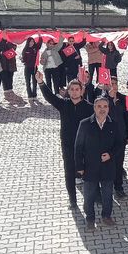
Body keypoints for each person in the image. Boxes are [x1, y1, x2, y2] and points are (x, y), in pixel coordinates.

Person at [37, 72, 93, 209]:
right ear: (68, 91)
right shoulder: (63, 104)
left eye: (77, 89)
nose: (74, 92)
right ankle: (72, 200)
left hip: (84, 146)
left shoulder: (89, 107)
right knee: (69, 173)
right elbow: (49, 97)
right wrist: (41, 82)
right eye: (72, 89)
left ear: (81, 91)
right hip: (68, 145)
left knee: (87, 172)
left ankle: (92, 198)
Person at [74, 96, 125, 231]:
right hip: (90, 167)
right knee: (89, 194)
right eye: (99, 106)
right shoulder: (84, 124)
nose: (102, 109)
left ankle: (106, 216)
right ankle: (90, 218)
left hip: (108, 167)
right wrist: (79, 167)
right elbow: (78, 147)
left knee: (107, 194)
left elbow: (120, 143)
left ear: (109, 108)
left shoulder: (113, 124)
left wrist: (111, 154)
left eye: (105, 107)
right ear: (94, 108)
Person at [101, 77, 128, 197]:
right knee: (107, 164)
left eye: (115, 84)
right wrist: (109, 98)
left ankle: (119, 187)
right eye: (111, 84)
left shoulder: (123, 98)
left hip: (120, 137)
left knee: (119, 163)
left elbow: (127, 118)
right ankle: (106, 189)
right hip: (107, 138)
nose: (113, 86)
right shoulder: (102, 100)